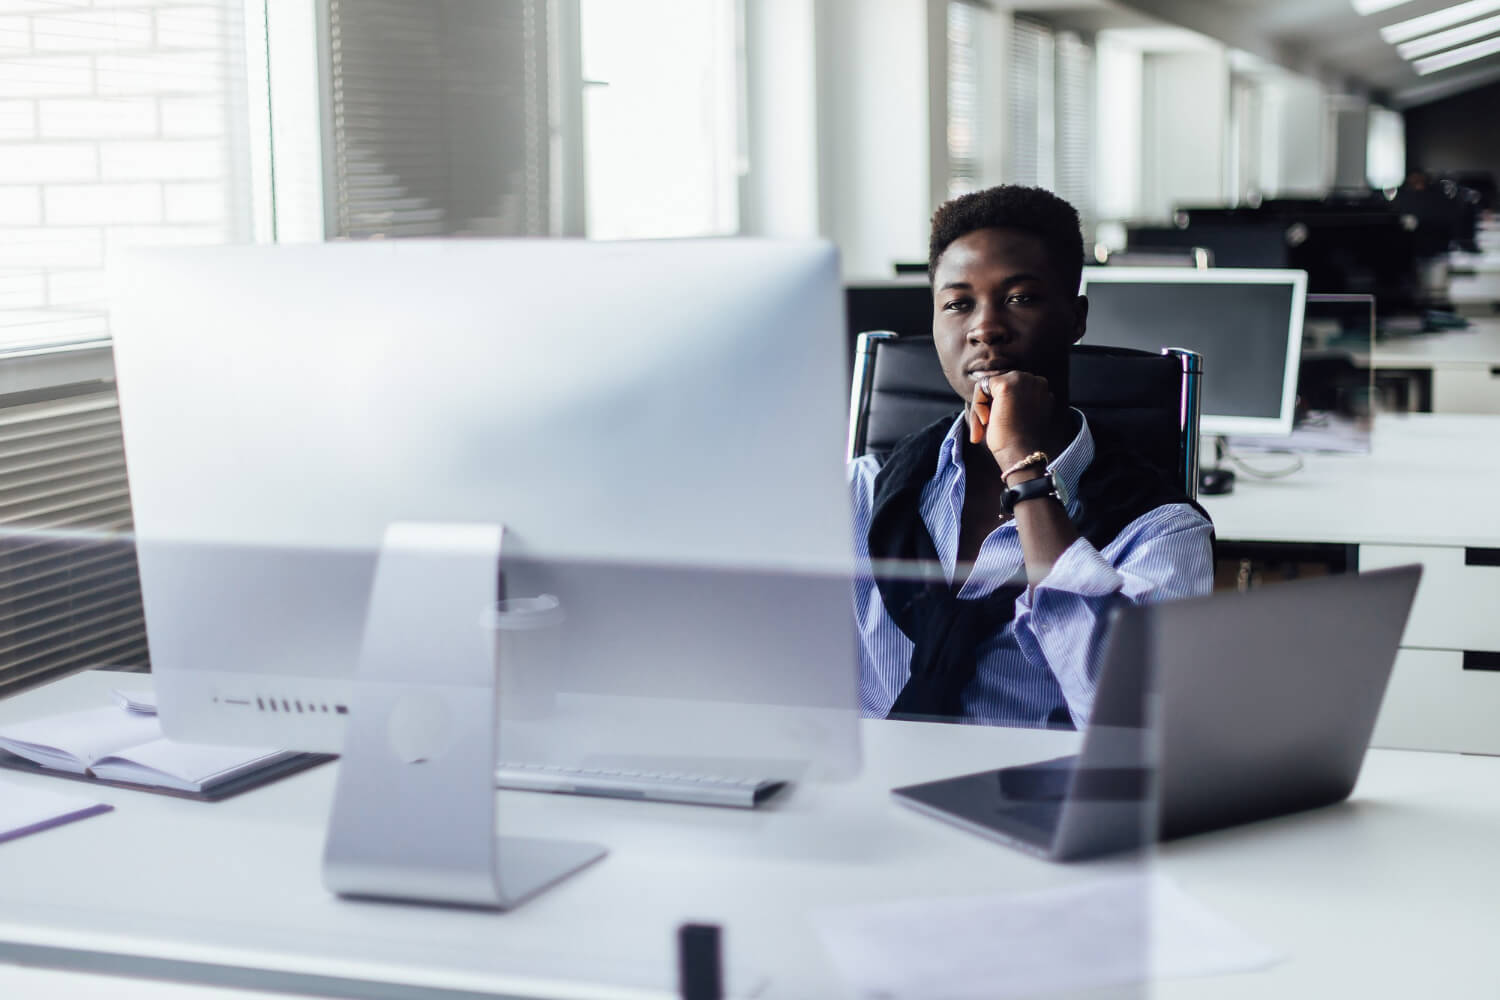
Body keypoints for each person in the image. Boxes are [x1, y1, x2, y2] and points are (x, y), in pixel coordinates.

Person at [849, 184, 1214, 727]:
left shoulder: (1160, 527)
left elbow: (1131, 715)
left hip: (1035, 795)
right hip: (867, 785)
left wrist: (1024, 469)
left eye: (1020, 298)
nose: (985, 327)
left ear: (1076, 318)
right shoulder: (867, 489)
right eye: (957, 304)